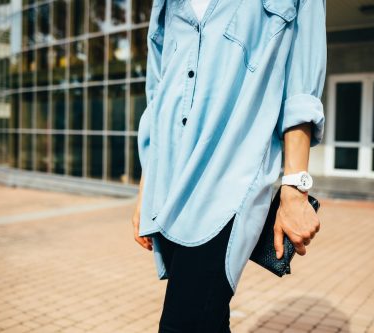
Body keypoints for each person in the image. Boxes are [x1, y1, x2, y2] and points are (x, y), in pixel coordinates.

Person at [132, 0, 327, 331]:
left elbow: (301, 85)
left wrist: (295, 187)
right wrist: (145, 187)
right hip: (170, 182)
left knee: (185, 321)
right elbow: (159, 91)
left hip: (230, 179)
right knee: (207, 317)